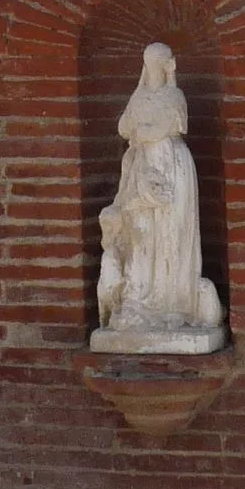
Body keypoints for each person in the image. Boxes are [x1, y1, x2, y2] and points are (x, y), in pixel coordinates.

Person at [93, 42, 225, 350]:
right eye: (151, 62)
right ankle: (140, 302)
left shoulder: (173, 95)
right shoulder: (139, 96)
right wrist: (138, 127)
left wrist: (141, 129)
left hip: (171, 166)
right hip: (141, 168)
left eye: (160, 61)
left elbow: (164, 128)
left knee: (171, 234)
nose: (156, 67)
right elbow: (124, 127)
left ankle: (173, 304)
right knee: (140, 234)